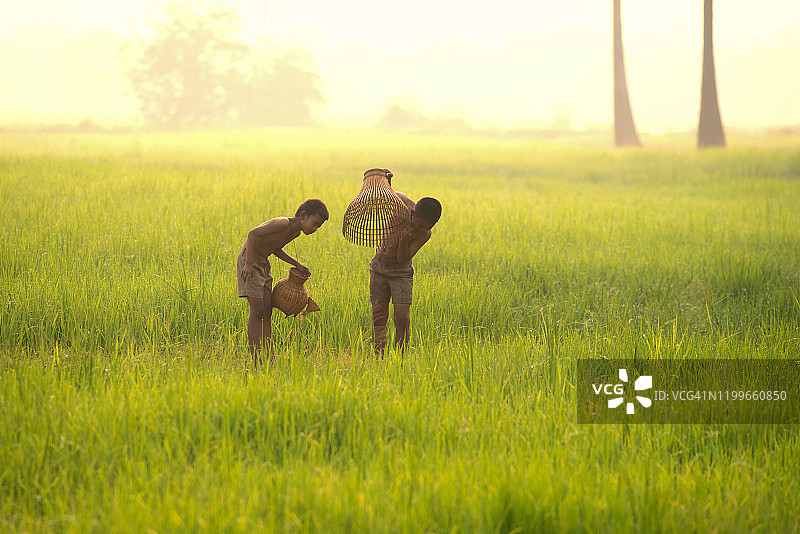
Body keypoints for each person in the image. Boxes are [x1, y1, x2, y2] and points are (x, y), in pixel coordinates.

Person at [237, 199, 328, 367]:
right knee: (257, 311)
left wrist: (297, 264)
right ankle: (256, 359)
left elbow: (275, 248)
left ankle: (269, 358)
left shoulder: (295, 233)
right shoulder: (282, 223)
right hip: (250, 260)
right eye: (315, 223)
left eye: (318, 227)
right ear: (303, 216)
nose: (315, 229)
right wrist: (248, 264)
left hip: (263, 263)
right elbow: (252, 234)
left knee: (267, 311)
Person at [370, 179, 442, 356]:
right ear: (413, 213)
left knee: (402, 318)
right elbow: (388, 195)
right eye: (421, 224)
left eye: (428, 226)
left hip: (400, 273)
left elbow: (402, 259)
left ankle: (400, 358)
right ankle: (378, 356)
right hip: (379, 267)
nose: (423, 228)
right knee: (379, 315)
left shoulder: (424, 234)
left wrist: (403, 239)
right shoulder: (403, 203)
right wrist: (387, 181)